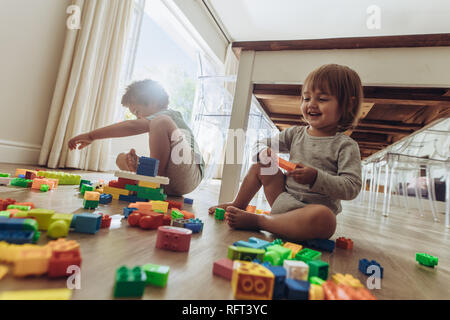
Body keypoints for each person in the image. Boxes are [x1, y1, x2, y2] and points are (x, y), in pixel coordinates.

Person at [209, 64, 363, 242]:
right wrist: (262, 151)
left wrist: (316, 178)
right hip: (282, 199)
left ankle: (260, 221)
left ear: (347, 105)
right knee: (262, 164)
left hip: (311, 214)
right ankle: (239, 204)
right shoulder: (295, 133)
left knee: (327, 219)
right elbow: (259, 143)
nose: (311, 104)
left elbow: (351, 187)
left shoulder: (346, 146)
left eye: (322, 99)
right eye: (306, 98)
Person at [68, 79, 204, 196]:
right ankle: (151, 179)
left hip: (190, 171)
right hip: (169, 180)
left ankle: (153, 182)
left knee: (161, 121)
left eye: (137, 112)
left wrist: (91, 136)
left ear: (154, 101)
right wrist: (137, 163)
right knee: (120, 158)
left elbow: (133, 126)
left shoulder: (168, 115)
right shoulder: (159, 125)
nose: (138, 118)